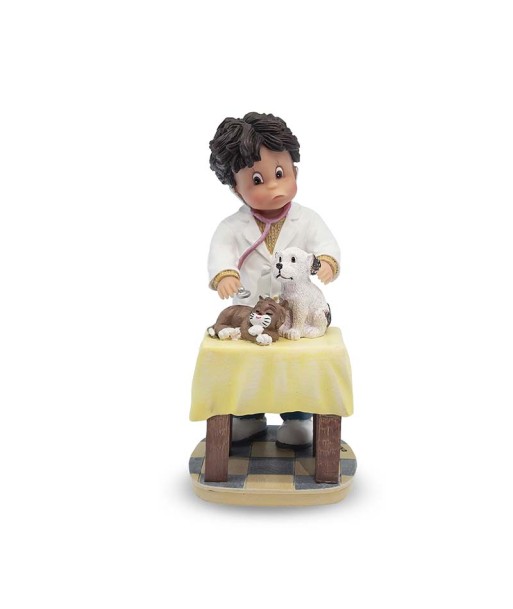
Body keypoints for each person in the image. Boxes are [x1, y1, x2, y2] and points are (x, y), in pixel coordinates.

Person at [208, 112, 341, 448]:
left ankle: (296, 419)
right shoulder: (232, 227)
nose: (273, 186)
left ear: (295, 170)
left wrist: (327, 261)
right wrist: (225, 274)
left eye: (280, 174)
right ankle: (248, 418)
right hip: (250, 309)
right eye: (256, 180)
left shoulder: (307, 220)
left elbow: (326, 244)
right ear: (235, 189)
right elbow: (221, 251)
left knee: (293, 370)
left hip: (293, 314)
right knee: (250, 369)